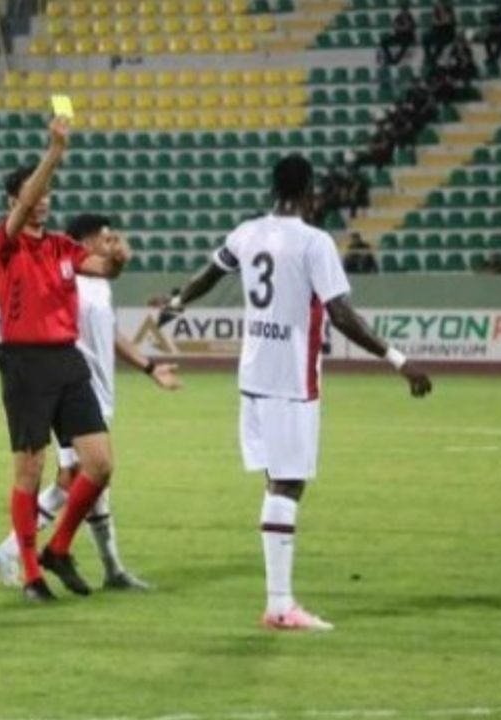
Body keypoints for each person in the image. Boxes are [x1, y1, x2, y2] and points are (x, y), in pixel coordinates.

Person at [157, 155, 432, 631]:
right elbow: (341, 314)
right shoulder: (314, 242)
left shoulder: (246, 233)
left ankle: (280, 601)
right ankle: (280, 605)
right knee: (288, 484)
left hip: (252, 376)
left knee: (277, 480)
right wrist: (398, 360)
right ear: (309, 191)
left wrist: (178, 301)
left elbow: (210, 273)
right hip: (290, 381)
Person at [0, 214, 179, 591]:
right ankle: (13, 551)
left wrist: (149, 367)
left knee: (91, 480)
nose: (111, 245)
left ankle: (109, 569)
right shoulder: (68, 280)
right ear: (85, 245)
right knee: (76, 477)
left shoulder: (99, 286)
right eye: (105, 240)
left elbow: (111, 333)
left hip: (99, 392)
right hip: (72, 390)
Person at [0, 117, 132, 602]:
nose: (44, 199)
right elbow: (25, 205)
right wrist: (54, 152)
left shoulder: (62, 247)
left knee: (100, 463)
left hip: (67, 361)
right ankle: (31, 575)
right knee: (30, 471)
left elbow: (103, 268)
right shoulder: (5, 242)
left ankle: (59, 547)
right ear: (15, 201)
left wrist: (119, 256)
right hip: (25, 363)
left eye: (48, 192)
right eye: (35, 192)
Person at [379, 0, 416, 66]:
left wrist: (401, 27)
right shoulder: (398, 16)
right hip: (398, 36)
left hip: (408, 36)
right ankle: (390, 58)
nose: (403, 11)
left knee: (405, 44)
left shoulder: (409, 16)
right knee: (383, 42)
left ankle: (396, 60)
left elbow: (408, 27)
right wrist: (402, 27)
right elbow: (395, 26)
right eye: (402, 10)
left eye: (404, 10)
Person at [480, 0, 501, 70]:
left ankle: (494, 58)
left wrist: (496, 28)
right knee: (486, 40)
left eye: (500, 6)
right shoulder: (495, 14)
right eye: (497, 6)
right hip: (495, 32)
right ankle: (491, 57)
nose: (498, 7)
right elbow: (490, 25)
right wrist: (494, 28)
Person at [423, 0, 457, 65]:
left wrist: (440, 20)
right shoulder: (436, 10)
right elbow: (434, 21)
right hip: (437, 32)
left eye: (440, 4)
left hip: (447, 33)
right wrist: (439, 22)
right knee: (425, 37)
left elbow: (446, 21)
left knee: (439, 42)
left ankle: (433, 59)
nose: (439, 5)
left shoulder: (449, 10)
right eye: (438, 4)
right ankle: (428, 55)